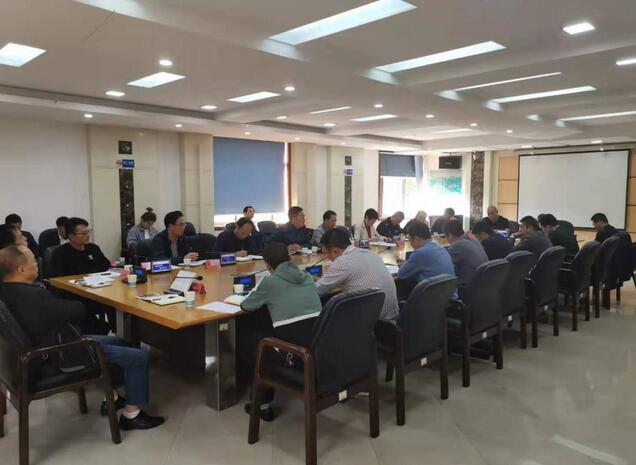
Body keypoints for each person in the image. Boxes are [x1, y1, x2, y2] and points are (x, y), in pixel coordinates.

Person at [0, 245, 164, 430]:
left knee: (120, 342)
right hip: (62, 352)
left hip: (52, 344)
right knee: (139, 357)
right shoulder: (30, 296)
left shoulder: (8, 291)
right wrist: (78, 303)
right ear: (21, 269)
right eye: (33, 260)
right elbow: (73, 311)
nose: (37, 263)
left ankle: (112, 396)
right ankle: (131, 415)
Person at [240, 242, 322, 421]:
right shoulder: (307, 277)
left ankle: (262, 405)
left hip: (296, 355)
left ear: (268, 265)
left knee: (255, 340)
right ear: (288, 257)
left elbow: (246, 306)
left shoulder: (270, 282)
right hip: (319, 348)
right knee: (267, 329)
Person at [316, 228, 398, 320]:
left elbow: (317, 290)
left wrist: (311, 281)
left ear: (335, 250)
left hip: (374, 323)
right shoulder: (371, 254)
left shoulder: (342, 262)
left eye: (326, 253)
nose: (327, 257)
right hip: (392, 319)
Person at [443, 219, 488, 287]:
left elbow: (443, 264)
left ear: (450, 235)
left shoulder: (457, 245)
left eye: (445, 236)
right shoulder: (474, 240)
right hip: (484, 283)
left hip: (469, 286)